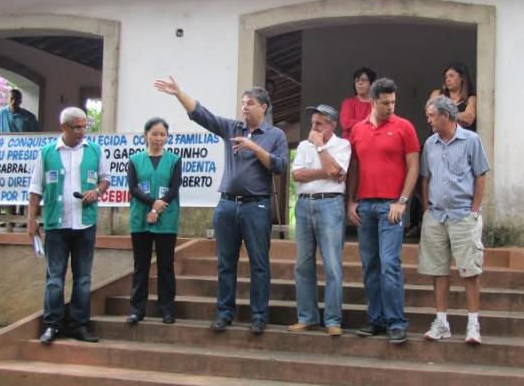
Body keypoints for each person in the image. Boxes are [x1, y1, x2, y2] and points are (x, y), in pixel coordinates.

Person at [155, 76, 288, 335]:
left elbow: (281, 167)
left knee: (259, 264)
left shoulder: (276, 135)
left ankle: (259, 316)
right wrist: (178, 92)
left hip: (256, 207)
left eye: (250, 103)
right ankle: (224, 313)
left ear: (264, 107)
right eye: (242, 103)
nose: (245, 107)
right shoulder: (231, 128)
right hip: (227, 206)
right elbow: (201, 114)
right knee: (226, 263)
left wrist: (253, 146)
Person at [27, 107, 110, 345]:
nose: (82, 131)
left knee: (83, 278)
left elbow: (106, 179)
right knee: (55, 278)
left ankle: (79, 326)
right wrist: (31, 221)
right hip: (56, 225)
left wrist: (96, 191)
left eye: (85, 126)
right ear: (64, 127)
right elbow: (35, 189)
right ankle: (52, 325)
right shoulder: (47, 153)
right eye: (77, 127)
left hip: (85, 224)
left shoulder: (95, 150)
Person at [347, 78, 420, 345]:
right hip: (365, 205)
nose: (391, 107)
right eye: (385, 102)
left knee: (390, 264)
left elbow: (414, 167)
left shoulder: (404, 127)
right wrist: (351, 202)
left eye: (393, 102)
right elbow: (354, 168)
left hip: (392, 206)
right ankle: (376, 319)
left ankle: (396, 322)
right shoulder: (357, 130)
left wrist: (402, 201)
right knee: (370, 266)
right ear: (373, 102)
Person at [418, 96, 490, 345]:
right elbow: (425, 177)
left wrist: (475, 209)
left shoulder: (471, 140)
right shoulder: (430, 143)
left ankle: (473, 324)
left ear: (445, 117)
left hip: (463, 214)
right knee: (438, 271)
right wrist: (427, 207)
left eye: (431, 116)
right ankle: (441, 322)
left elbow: (480, 176)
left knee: (470, 271)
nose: (428, 120)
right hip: (436, 215)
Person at [288, 104, 351, 337]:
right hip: (304, 205)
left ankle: (333, 319)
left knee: (332, 265)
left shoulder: (342, 145)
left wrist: (321, 147)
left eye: (319, 124)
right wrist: (327, 172)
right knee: (303, 265)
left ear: (332, 126)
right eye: (313, 123)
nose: (313, 128)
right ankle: (307, 317)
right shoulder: (303, 146)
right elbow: (297, 174)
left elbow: (338, 169)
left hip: (330, 204)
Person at [126, 117, 182, 326]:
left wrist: (158, 207)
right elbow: (133, 188)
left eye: (163, 134)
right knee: (141, 266)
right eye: (154, 133)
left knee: (166, 266)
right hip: (140, 218)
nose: (159, 138)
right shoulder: (135, 159)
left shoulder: (174, 160)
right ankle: (137, 310)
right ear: (146, 135)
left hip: (167, 218)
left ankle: (167, 309)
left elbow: (174, 187)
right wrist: (152, 203)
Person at [429, 63, 477, 131]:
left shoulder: (471, 99)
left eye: (451, 76)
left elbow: (468, 119)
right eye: (446, 77)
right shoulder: (437, 94)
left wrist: (443, 115)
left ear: (462, 77)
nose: (447, 79)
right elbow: (432, 114)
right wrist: (458, 117)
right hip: (438, 139)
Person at [339, 67, 376, 140]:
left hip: (371, 143)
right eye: (356, 80)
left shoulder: (377, 104)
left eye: (363, 80)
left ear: (372, 83)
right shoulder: (348, 103)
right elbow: (346, 124)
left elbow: (381, 124)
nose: (359, 83)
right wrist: (370, 123)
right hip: (350, 145)